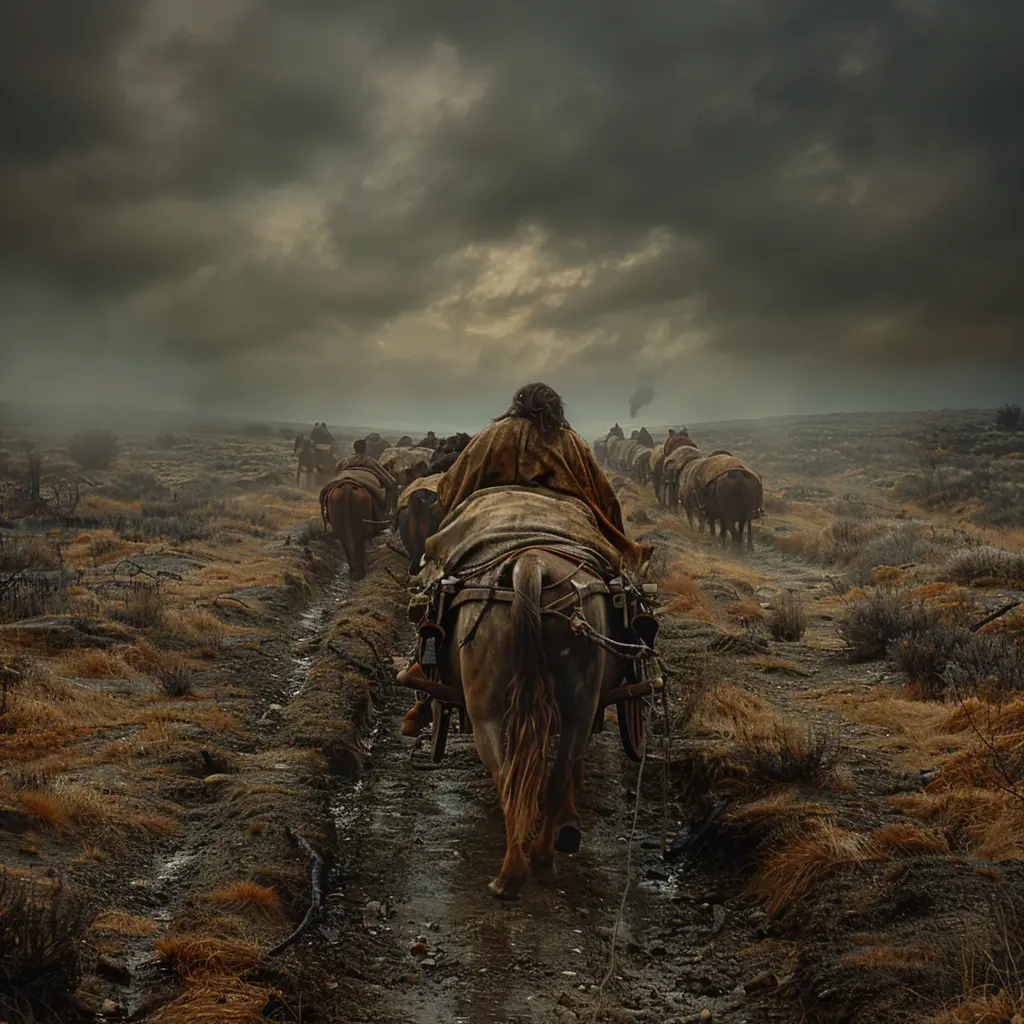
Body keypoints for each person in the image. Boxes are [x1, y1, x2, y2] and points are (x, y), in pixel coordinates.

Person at [396, 382, 654, 734]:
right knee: (617, 587)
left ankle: (426, 672)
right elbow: (605, 497)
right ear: (555, 409)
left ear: (517, 404)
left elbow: (451, 486)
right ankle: (628, 650)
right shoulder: (571, 442)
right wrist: (615, 538)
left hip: (490, 519)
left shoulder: (492, 435)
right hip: (565, 520)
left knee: (440, 587)